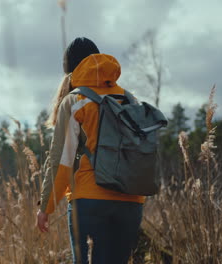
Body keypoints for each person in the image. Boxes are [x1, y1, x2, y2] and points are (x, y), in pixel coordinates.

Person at [37, 37, 144, 264]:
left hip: (89, 201)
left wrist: (46, 207)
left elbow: (61, 162)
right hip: (131, 201)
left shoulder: (75, 100)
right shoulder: (129, 98)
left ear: (69, 71)